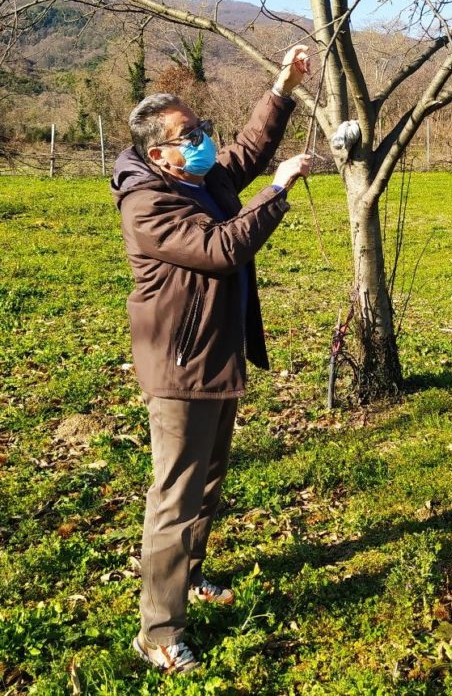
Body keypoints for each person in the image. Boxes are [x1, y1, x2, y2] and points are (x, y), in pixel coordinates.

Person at [111, 45, 312, 672]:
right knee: (174, 497)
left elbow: (246, 151)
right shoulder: (149, 203)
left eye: (201, 129)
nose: (201, 140)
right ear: (157, 154)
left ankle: (189, 577)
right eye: (187, 135)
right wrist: (277, 192)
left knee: (206, 485)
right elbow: (223, 248)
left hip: (216, 355)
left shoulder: (196, 177)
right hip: (180, 364)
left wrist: (281, 89)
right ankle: (159, 631)